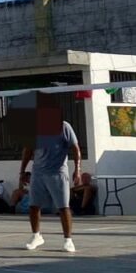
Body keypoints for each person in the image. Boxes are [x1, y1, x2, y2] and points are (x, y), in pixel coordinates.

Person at [18, 98, 81, 252]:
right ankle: (36, 236)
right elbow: (28, 150)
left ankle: (68, 240)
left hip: (58, 172)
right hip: (38, 172)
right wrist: (22, 171)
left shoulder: (64, 127)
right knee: (33, 206)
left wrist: (77, 169)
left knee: (63, 207)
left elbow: (75, 148)